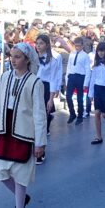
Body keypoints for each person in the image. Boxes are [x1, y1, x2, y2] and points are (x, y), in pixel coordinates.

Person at [0, 42, 46, 208]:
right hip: (6, 130)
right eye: (12, 56)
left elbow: (39, 114)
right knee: (0, 171)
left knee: (21, 174)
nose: (13, 60)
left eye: (18, 57)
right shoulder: (5, 77)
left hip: (24, 133)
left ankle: (20, 205)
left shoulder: (35, 82)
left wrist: (40, 142)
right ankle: (23, 198)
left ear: (27, 60)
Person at [34, 34, 62, 163]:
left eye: (41, 43)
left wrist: (50, 98)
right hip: (33, 86)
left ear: (47, 45)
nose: (38, 46)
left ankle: (41, 151)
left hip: (44, 88)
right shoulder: (32, 57)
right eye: (37, 43)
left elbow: (52, 78)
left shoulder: (53, 59)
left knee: (42, 121)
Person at [65, 37, 91, 125]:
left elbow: (87, 70)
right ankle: (72, 113)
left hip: (80, 77)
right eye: (76, 46)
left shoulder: (85, 56)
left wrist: (86, 83)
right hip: (72, 76)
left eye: (79, 46)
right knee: (68, 96)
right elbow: (69, 67)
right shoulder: (72, 54)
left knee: (80, 98)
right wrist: (66, 79)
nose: (77, 48)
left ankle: (80, 116)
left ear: (82, 46)